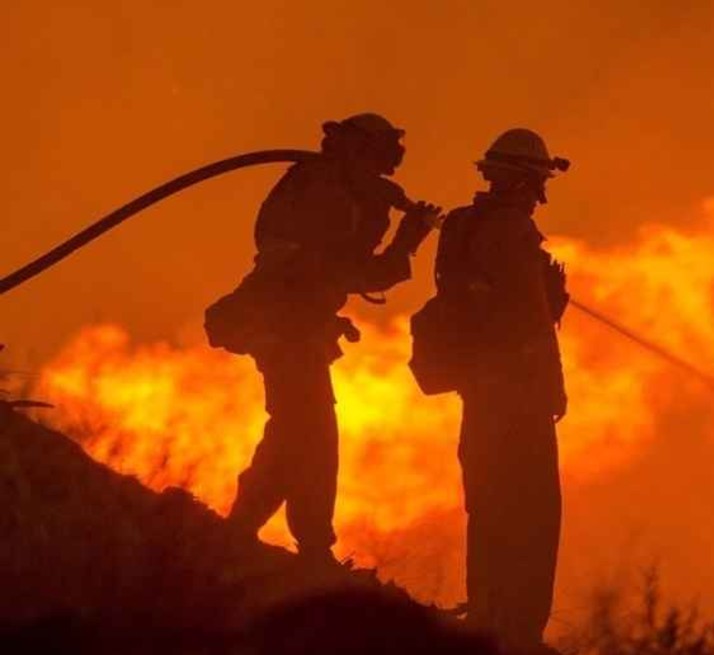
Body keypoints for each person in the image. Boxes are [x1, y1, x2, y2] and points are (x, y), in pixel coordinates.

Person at [205, 113, 440, 563]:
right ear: (356, 152)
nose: (381, 173)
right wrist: (407, 241)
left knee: (295, 432)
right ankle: (311, 544)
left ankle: (244, 525)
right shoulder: (323, 192)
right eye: (374, 162)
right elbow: (348, 271)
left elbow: (344, 268)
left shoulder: (341, 193)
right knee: (312, 434)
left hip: (297, 325)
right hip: (279, 324)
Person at [420, 128, 569, 650]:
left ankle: (486, 611)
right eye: (537, 182)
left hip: (479, 393)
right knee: (532, 511)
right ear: (528, 182)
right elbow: (527, 324)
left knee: (486, 504)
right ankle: (519, 628)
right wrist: (554, 386)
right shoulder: (513, 233)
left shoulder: (462, 226)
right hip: (518, 396)